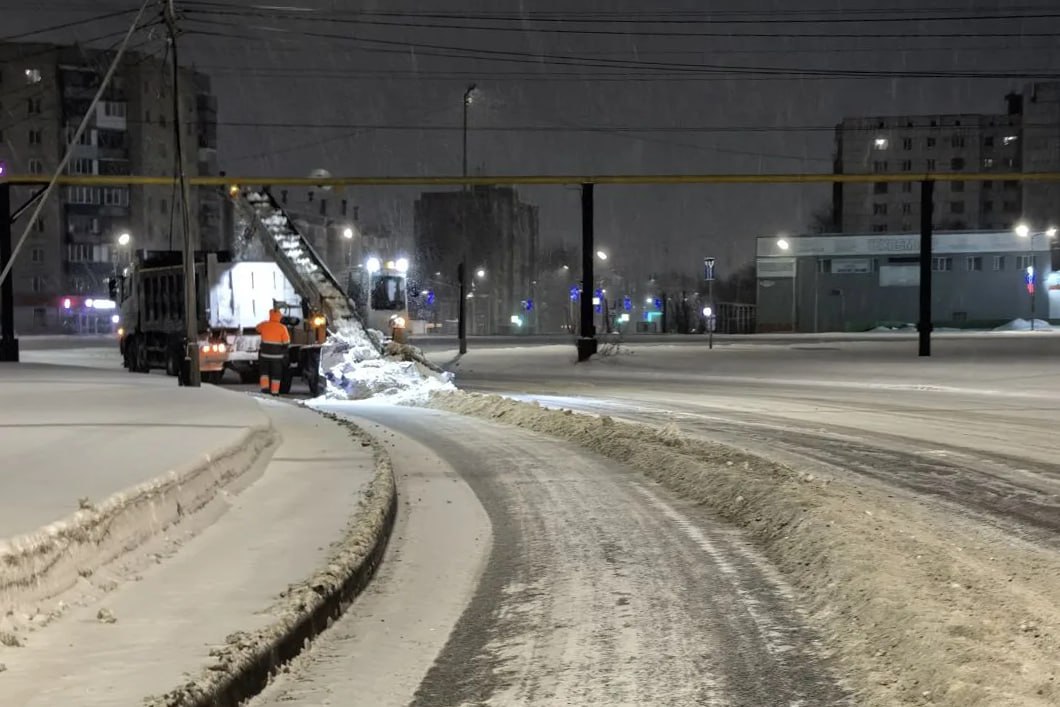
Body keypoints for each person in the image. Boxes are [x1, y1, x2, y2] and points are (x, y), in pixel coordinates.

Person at [256, 308, 290, 396]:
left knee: (264, 373)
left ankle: (265, 389)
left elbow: (257, 328)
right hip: (277, 357)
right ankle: (275, 392)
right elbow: (286, 342)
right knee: (276, 375)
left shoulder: (264, 325)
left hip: (264, 356)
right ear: (279, 317)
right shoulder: (283, 328)